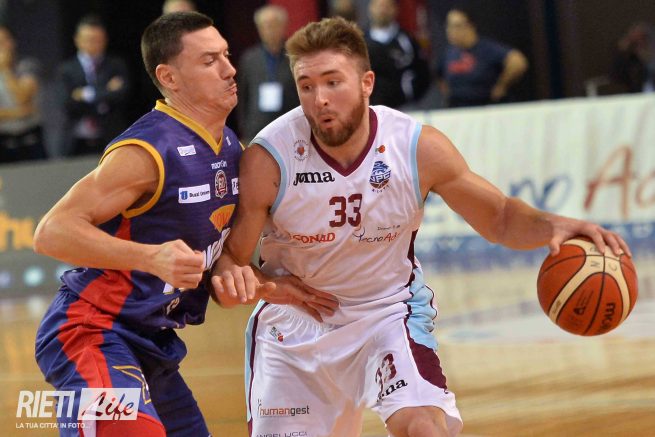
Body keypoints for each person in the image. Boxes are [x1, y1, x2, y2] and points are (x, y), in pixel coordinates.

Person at [210, 17, 631, 437]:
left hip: (386, 315)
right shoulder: (270, 158)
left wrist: (554, 225)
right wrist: (269, 288)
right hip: (294, 326)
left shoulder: (416, 147)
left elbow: (500, 218)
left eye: (333, 82)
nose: (319, 99)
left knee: (425, 428)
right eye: (306, 86)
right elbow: (230, 266)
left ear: (367, 83)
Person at [33, 11, 243, 436]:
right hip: (92, 329)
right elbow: (51, 231)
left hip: (153, 344)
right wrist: (150, 258)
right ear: (169, 77)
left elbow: (213, 249)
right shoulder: (148, 148)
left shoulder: (230, 146)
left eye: (225, 55)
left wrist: (230, 272)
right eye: (209, 61)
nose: (229, 69)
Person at [57, 15, 131, 156]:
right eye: (89, 39)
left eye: (98, 40)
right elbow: (68, 103)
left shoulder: (116, 65)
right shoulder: (66, 70)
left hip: (110, 137)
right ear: (77, 40)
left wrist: (84, 94)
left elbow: (122, 95)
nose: (94, 44)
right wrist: (105, 91)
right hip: (77, 141)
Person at [436, 6, 528, 108]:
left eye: (457, 26)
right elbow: (438, 74)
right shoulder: (449, 53)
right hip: (458, 108)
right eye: (449, 26)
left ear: (471, 26)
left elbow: (518, 62)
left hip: (486, 107)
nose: (451, 31)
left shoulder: (487, 49)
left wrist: (501, 86)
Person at [237, 5, 298, 143]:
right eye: (264, 26)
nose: (269, 30)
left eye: (273, 25)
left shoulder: (294, 56)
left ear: (284, 27)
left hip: (288, 126)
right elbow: (243, 96)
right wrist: (244, 127)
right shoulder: (249, 58)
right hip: (256, 128)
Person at [364, 0, 430, 108]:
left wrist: (412, 98)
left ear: (395, 9)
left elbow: (423, 73)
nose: (382, 10)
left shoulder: (407, 40)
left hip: (404, 108)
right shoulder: (360, 41)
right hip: (369, 109)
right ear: (370, 8)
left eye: (387, 6)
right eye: (379, 5)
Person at [0, 25, 46, 163]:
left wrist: (5, 70)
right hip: (3, 141)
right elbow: (25, 110)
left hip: (30, 139)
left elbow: (22, 97)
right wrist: (19, 113)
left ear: (12, 42)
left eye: (4, 41)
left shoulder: (27, 66)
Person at [610, 22, 655, 93]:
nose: (641, 43)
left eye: (644, 39)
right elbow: (615, 77)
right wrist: (622, 53)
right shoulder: (631, 61)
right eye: (636, 42)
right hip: (638, 95)